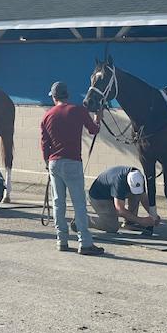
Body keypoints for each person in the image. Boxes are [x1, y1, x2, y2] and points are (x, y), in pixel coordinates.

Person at [41, 81, 104, 256]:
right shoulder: (78, 111)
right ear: (67, 95)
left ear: (54, 97)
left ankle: (61, 240)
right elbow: (94, 130)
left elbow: (44, 144)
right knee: (79, 204)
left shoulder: (47, 116)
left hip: (54, 163)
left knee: (58, 203)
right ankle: (84, 242)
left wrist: (48, 162)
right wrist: (97, 118)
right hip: (72, 162)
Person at [85, 166, 160, 234]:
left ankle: (129, 222)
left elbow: (143, 198)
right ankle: (82, 220)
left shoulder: (138, 177)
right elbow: (120, 210)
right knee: (111, 227)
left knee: (137, 194)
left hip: (112, 193)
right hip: (99, 198)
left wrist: (153, 215)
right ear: (127, 182)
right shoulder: (119, 181)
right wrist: (140, 221)